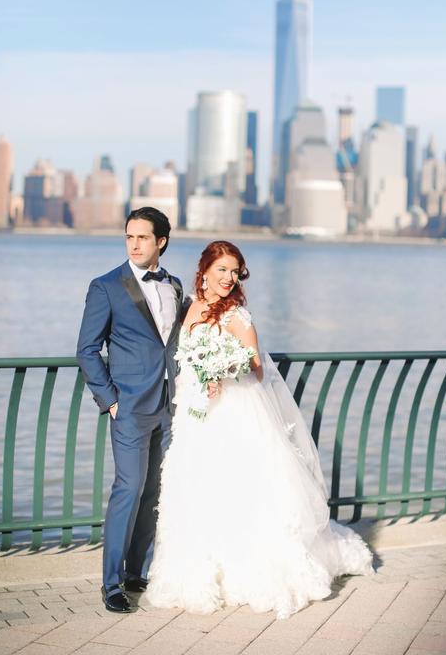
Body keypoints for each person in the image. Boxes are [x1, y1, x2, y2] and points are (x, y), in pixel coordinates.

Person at [146, 240, 373, 620]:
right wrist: (201, 377)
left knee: (238, 488)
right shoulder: (189, 308)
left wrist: (223, 371)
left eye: (234, 272)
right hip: (194, 416)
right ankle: (194, 574)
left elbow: (256, 368)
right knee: (193, 488)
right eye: (222, 269)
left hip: (232, 411)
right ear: (204, 270)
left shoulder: (237, 315)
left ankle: (244, 573)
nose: (228, 278)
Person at [76, 207, 182, 614]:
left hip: (170, 405)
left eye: (142, 237)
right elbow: (87, 350)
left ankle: (138, 571)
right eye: (129, 237)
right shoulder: (105, 286)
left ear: (161, 242)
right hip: (130, 407)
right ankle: (112, 583)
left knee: (155, 491)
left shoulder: (173, 285)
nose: (134, 244)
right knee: (129, 488)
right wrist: (111, 400)